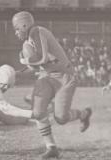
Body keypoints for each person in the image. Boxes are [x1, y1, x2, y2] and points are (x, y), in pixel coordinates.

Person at [12, 11, 92, 158]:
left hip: (64, 76)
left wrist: (25, 61)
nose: (16, 33)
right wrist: (16, 72)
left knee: (61, 118)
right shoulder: (27, 42)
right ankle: (51, 147)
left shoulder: (38, 31)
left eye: (17, 29)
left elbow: (42, 59)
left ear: (24, 25)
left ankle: (83, 114)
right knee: (37, 112)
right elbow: (35, 68)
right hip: (47, 76)